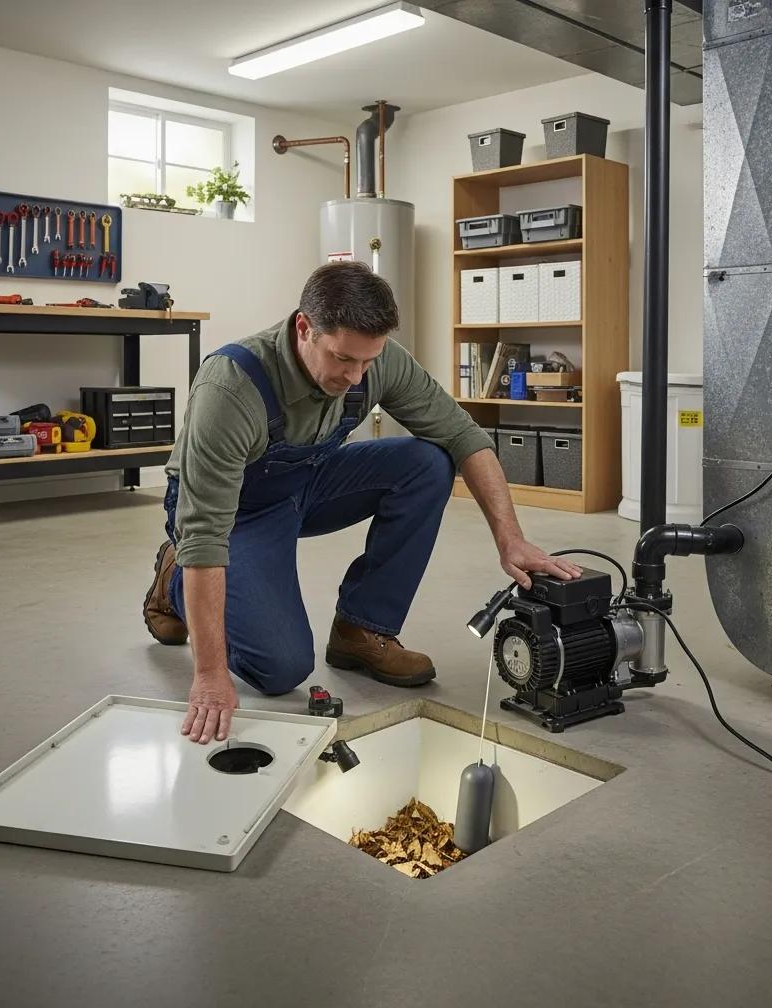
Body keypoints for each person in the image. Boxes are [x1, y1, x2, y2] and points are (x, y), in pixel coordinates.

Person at [143, 261, 580, 744]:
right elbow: (206, 535)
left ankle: (361, 631)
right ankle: (175, 576)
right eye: (343, 360)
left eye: (367, 362)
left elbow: (463, 436)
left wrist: (510, 539)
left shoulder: (374, 358)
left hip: (305, 484)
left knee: (427, 462)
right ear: (304, 328)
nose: (355, 377)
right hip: (233, 515)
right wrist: (208, 674)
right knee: (280, 669)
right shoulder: (231, 388)